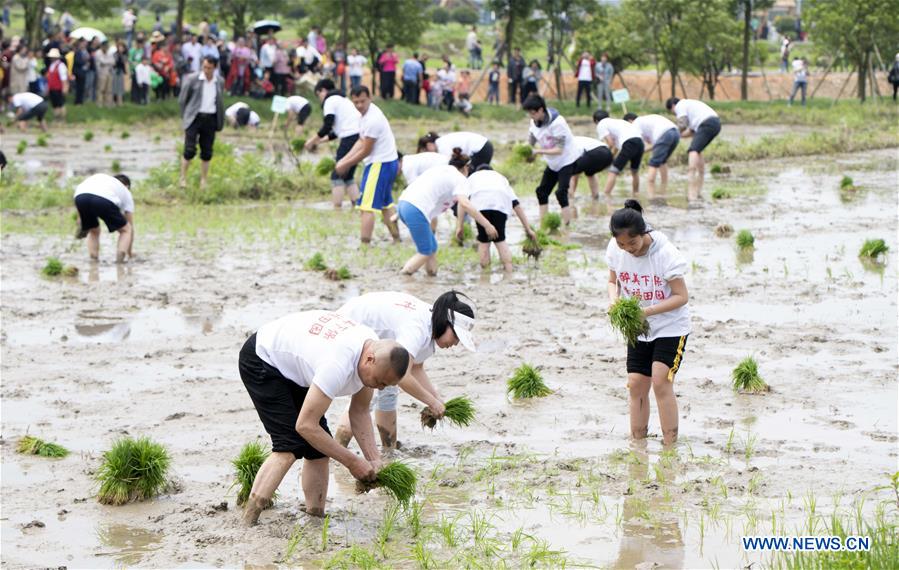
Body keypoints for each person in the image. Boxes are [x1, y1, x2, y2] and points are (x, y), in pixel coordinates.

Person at [238, 310, 412, 525]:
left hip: (298, 368)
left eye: (386, 385)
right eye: (380, 382)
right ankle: (248, 521)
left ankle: (315, 517)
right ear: (369, 360)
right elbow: (305, 426)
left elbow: (359, 412)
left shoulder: (372, 355)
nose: (380, 387)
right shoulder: (337, 364)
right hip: (263, 358)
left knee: (319, 450)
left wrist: (374, 460)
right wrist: (352, 462)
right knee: (289, 445)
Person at [334, 291, 477, 449]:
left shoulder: (432, 325)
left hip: (373, 341)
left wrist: (436, 398)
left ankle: (389, 450)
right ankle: (339, 447)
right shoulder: (417, 328)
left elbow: (415, 368)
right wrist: (432, 402)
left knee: (389, 388)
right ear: (446, 322)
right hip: (348, 328)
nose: (456, 343)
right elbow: (404, 378)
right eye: (456, 336)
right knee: (364, 395)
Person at [606, 200, 690, 446]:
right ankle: (638, 445)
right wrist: (614, 302)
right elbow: (613, 282)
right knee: (635, 384)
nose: (627, 249)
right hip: (639, 327)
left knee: (660, 380)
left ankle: (669, 445)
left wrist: (647, 311)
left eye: (632, 243)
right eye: (621, 244)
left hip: (671, 326)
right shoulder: (615, 249)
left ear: (644, 233)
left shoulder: (665, 254)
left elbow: (681, 297)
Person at [396, 150, 497, 276]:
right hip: (416, 209)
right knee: (426, 251)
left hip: (403, 204)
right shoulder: (459, 178)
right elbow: (465, 203)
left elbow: (461, 204)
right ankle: (404, 276)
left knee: (432, 246)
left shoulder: (441, 170)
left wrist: (459, 225)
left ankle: (431, 275)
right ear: (465, 168)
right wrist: (487, 224)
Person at [335, 85, 401, 243]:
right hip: (386, 163)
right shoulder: (363, 115)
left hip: (380, 165)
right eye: (355, 102)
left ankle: (365, 245)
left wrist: (346, 164)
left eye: (362, 101)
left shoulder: (373, 119)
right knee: (386, 204)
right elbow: (361, 140)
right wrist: (343, 160)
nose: (359, 105)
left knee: (366, 207)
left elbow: (365, 150)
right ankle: (397, 239)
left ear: (370, 98)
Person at [465, 165, 537, 272]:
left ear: (478, 171)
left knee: (483, 241)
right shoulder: (500, 178)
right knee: (500, 240)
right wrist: (528, 229)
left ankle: (485, 273)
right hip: (500, 206)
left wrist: (459, 225)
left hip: (480, 206)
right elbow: (516, 205)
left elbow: (463, 201)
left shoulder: (473, 177)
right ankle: (509, 271)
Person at [523, 94, 580, 226]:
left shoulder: (558, 123)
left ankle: (567, 226)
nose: (531, 116)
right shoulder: (534, 122)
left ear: (541, 110)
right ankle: (544, 223)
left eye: (532, 113)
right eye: (529, 113)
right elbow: (531, 139)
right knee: (541, 192)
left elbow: (559, 149)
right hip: (553, 162)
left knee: (561, 193)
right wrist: (526, 151)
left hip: (567, 160)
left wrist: (537, 152)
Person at [305, 79, 362, 209]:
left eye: (318, 94)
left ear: (323, 90)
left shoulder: (330, 100)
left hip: (350, 137)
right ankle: (357, 206)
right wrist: (320, 141)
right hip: (359, 136)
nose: (319, 98)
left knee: (337, 173)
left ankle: (337, 210)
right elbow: (336, 132)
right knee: (348, 175)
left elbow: (327, 125)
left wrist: (311, 141)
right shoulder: (343, 100)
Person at [179, 56, 225, 190]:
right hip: (194, 117)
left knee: (207, 151)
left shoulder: (219, 81)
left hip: (210, 118)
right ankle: (183, 178)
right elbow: (182, 100)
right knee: (189, 149)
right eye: (204, 67)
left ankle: (203, 180)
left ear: (214, 68)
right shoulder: (193, 79)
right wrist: (186, 116)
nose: (206, 70)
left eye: (209, 68)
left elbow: (220, 100)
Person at [665, 97, 720, 201]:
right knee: (697, 149)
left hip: (707, 123)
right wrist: (677, 136)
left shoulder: (680, 105)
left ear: (672, 106)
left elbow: (682, 125)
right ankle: (701, 174)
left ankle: (691, 173)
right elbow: (690, 132)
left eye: (672, 112)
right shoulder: (691, 107)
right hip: (715, 123)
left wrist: (672, 133)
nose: (674, 113)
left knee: (693, 150)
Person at [73, 173, 135, 263]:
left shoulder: (104, 180)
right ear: (127, 186)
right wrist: (130, 253)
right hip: (103, 199)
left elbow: (80, 198)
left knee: (93, 230)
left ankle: (93, 261)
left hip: (80, 196)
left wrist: (81, 223)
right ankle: (120, 262)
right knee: (126, 230)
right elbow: (130, 225)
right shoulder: (126, 192)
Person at [624, 112, 680, 198]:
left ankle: (651, 192)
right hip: (675, 132)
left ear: (630, 121)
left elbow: (638, 145)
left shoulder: (636, 123)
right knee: (662, 160)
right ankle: (663, 187)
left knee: (653, 162)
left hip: (663, 134)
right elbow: (653, 145)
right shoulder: (646, 121)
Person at [594, 110, 644, 197]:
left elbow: (610, 144)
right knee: (634, 171)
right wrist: (610, 158)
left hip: (629, 143)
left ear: (596, 121)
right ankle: (636, 194)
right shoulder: (617, 123)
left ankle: (606, 195)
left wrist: (603, 158)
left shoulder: (601, 124)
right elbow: (616, 147)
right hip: (640, 142)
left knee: (613, 171)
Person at [417, 131, 493, 171]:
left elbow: (448, 165)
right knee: (476, 173)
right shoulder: (442, 141)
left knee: (472, 174)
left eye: (426, 150)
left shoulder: (442, 146)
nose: (428, 153)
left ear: (429, 145)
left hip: (481, 148)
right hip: (484, 145)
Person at [569, 135, 613, 204]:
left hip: (595, 152)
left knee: (570, 173)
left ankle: (570, 199)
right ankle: (595, 197)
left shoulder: (569, 144)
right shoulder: (577, 139)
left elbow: (574, 176)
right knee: (590, 173)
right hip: (608, 154)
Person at [45, 48, 68, 121]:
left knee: (61, 104)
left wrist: (65, 88)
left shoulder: (61, 66)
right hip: (52, 88)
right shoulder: (52, 65)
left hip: (58, 88)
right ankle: (56, 118)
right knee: (55, 105)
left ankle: (62, 119)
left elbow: (63, 78)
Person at [95, 41, 115, 108]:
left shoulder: (110, 52)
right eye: (105, 46)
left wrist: (107, 62)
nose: (106, 48)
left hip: (109, 72)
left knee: (109, 89)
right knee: (101, 89)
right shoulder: (98, 53)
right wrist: (108, 62)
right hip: (101, 73)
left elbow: (113, 61)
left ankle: (108, 103)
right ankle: (99, 103)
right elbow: (102, 61)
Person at [112, 41, 128, 106]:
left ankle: (120, 100)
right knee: (115, 86)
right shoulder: (115, 54)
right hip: (115, 71)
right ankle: (114, 100)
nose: (121, 49)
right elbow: (114, 63)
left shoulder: (124, 55)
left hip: (121, 71)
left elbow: (124, 63)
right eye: (120, 47)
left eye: (122, 47)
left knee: (121, 86)